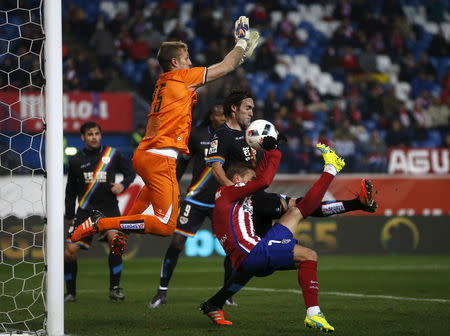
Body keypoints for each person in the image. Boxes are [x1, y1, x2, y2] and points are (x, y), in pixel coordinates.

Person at [69, 16, 260, 242]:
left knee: (147, 201)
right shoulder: (181, 78)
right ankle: (101, 223)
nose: (190, 63)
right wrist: (240, 42)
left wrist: (239, 56)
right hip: (161, 158)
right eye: (186, 58)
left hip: (145, 154)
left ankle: (121, 234)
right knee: (166, 226)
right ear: (175, 63)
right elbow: (226, 66)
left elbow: (222, 72)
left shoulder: (163, 82)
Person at [199, 140, 346, 332]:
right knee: (306, 246)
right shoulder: (228, 192)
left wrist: (268, 150)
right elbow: (264, 181)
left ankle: (214, 304)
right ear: (236, 179)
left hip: (246, 263)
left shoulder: (229, 196)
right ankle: (331, 169)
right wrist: (275, 153)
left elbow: (259, 178)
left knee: (304, 248)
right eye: (250, 181)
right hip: (255, 254)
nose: (254, 186)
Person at [148, 103, 226, 308]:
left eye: (224, 114)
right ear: (211, 116)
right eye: (218, 113)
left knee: (231, 246)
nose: (222, 118)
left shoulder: (234, 137)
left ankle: (228, 292)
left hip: (221, 199)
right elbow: (182, 163)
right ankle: (161, 292)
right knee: (176, 243)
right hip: (196, 198)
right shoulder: (197, 135)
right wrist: (173, 189)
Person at [64, 121, 136, 302]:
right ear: (83, 137)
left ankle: (115, 288)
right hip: (85, 212)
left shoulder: (112, 154)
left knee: (116, 243)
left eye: (96, 133)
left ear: (100, 135)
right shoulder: (75, 161)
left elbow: (130, 173)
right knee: (70, 251)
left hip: (109, 209)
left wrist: (123, 185)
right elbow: (70, 191)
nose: (94, 137)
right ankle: (71, 293)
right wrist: (69, 216)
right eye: (90, 134)